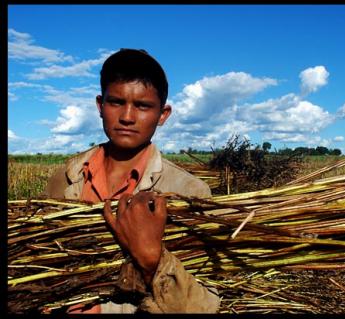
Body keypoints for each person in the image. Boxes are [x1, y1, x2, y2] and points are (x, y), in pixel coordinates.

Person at [42, 48, 220, 313]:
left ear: (163, 114)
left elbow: (203, 305)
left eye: (143, 106)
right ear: (100, 106)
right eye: (116, 102)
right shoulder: (66, 178)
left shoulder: (189, 191)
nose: (127, 116)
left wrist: (151, 260)